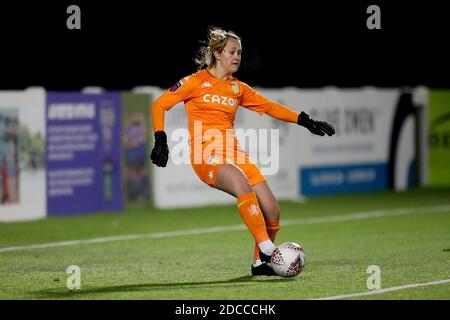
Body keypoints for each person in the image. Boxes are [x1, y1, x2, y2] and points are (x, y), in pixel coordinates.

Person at [150, 27, 335, 276]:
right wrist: (160, 138)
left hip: (234, 153)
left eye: (240, 52)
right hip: (206, 155)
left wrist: (305, 120)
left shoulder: (238, 89)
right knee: (241, 185)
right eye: (232, 52)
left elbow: (269, 107)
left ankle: (259, 263)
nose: (237, 57)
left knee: (272, 209)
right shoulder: (195, 82)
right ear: (217, 53)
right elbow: (160, 104)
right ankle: (270, 251)